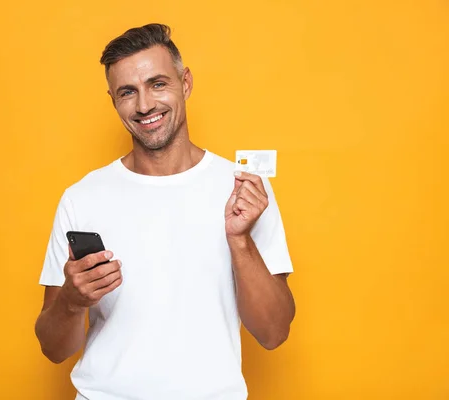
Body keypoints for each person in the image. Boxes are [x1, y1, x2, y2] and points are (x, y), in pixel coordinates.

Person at [34, 23, 296, 400]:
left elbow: (274, 333)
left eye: (158, 84)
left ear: (185, 83)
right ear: (113, 100)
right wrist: (72, 302)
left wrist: (239, 241)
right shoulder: (82, 198)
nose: (144, 106)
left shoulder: (242, 192)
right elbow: (52, 349)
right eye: (128, 92)